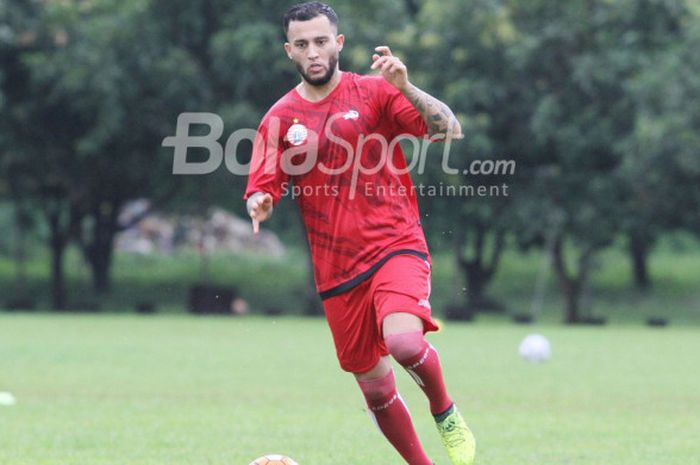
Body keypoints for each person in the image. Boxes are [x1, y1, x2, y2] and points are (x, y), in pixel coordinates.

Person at [244, 2, 475, 464]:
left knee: (405, 343)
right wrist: (259, 202)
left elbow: (449, 129)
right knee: (375, 388)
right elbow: (260, 186)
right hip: (337, 272)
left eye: (322, 41)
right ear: (289, 50)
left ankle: (445, 410)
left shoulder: (375, 93)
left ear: (339, 43)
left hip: (396, 245)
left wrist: (405, 86)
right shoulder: (279, 119)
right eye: (303, 44)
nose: (314, 52)